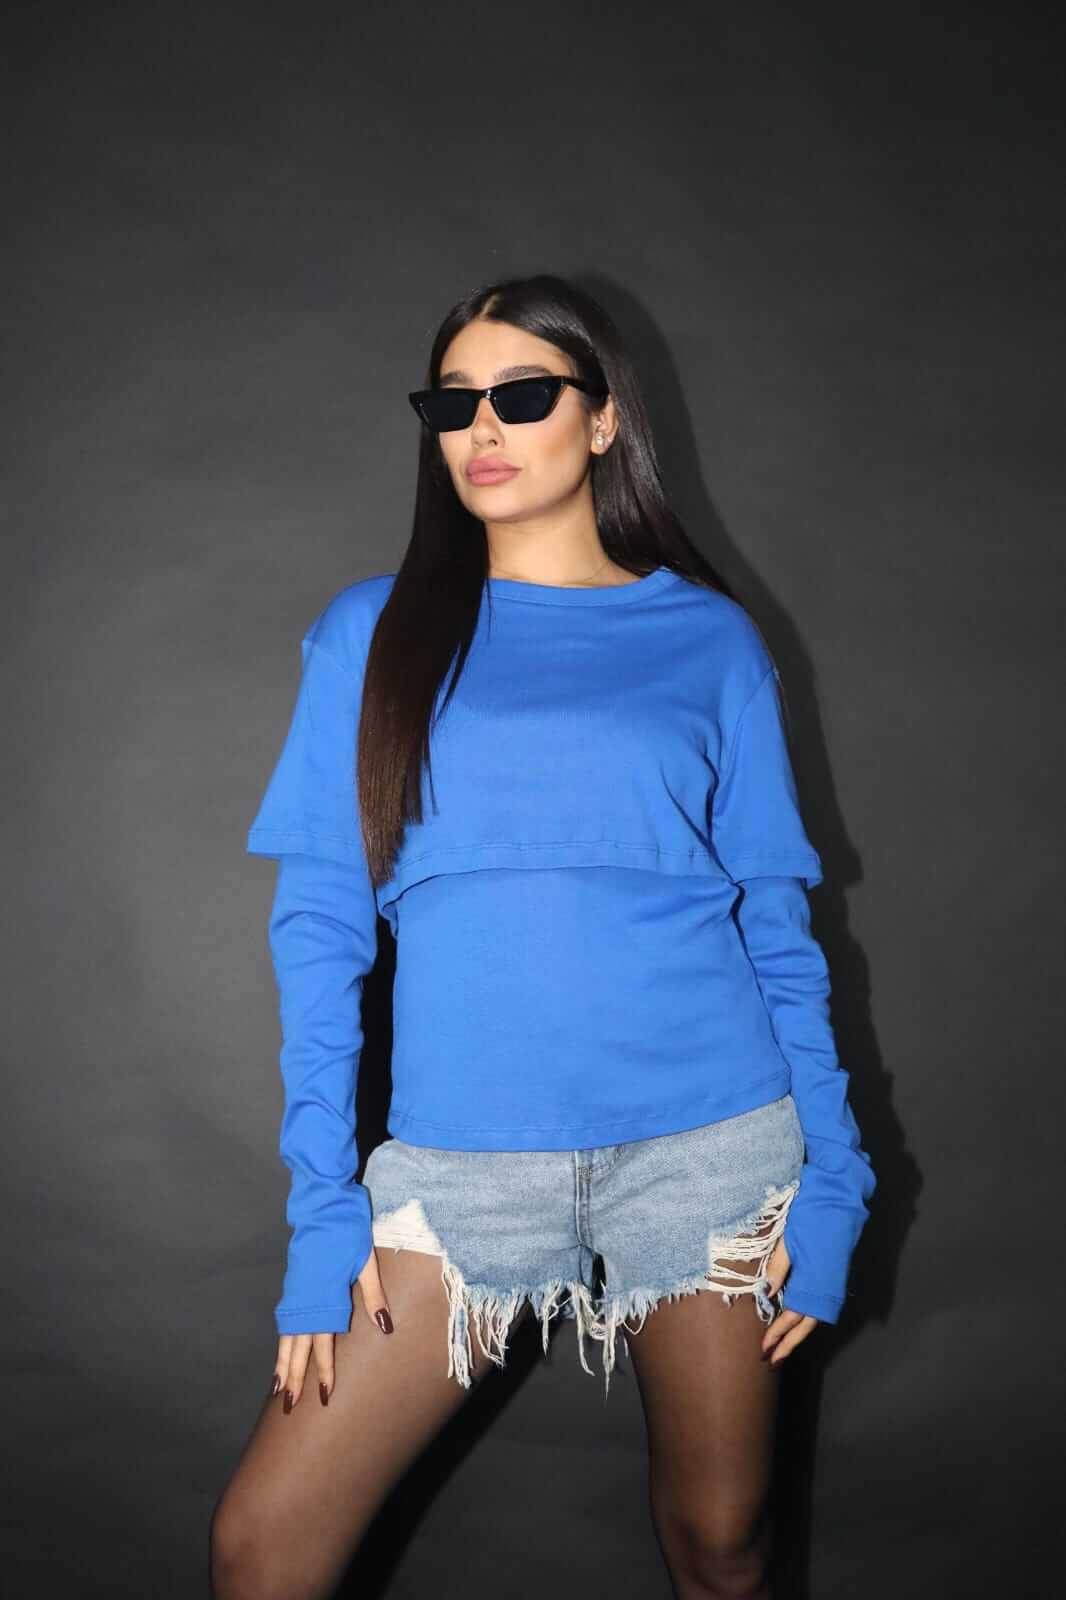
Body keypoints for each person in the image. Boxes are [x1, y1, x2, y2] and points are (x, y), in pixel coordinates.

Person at [210, 273, 876, 1600]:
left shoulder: (710, 640)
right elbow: (320, 934)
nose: (482, 428)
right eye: (452, 403)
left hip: (707, 1151)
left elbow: (775, 925)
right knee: (262, 1551)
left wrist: (837, 1178)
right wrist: (323, 1215)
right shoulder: (371, 635)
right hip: (461, 1167)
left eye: (522, 395)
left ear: (603, 417)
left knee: (722, 1545)